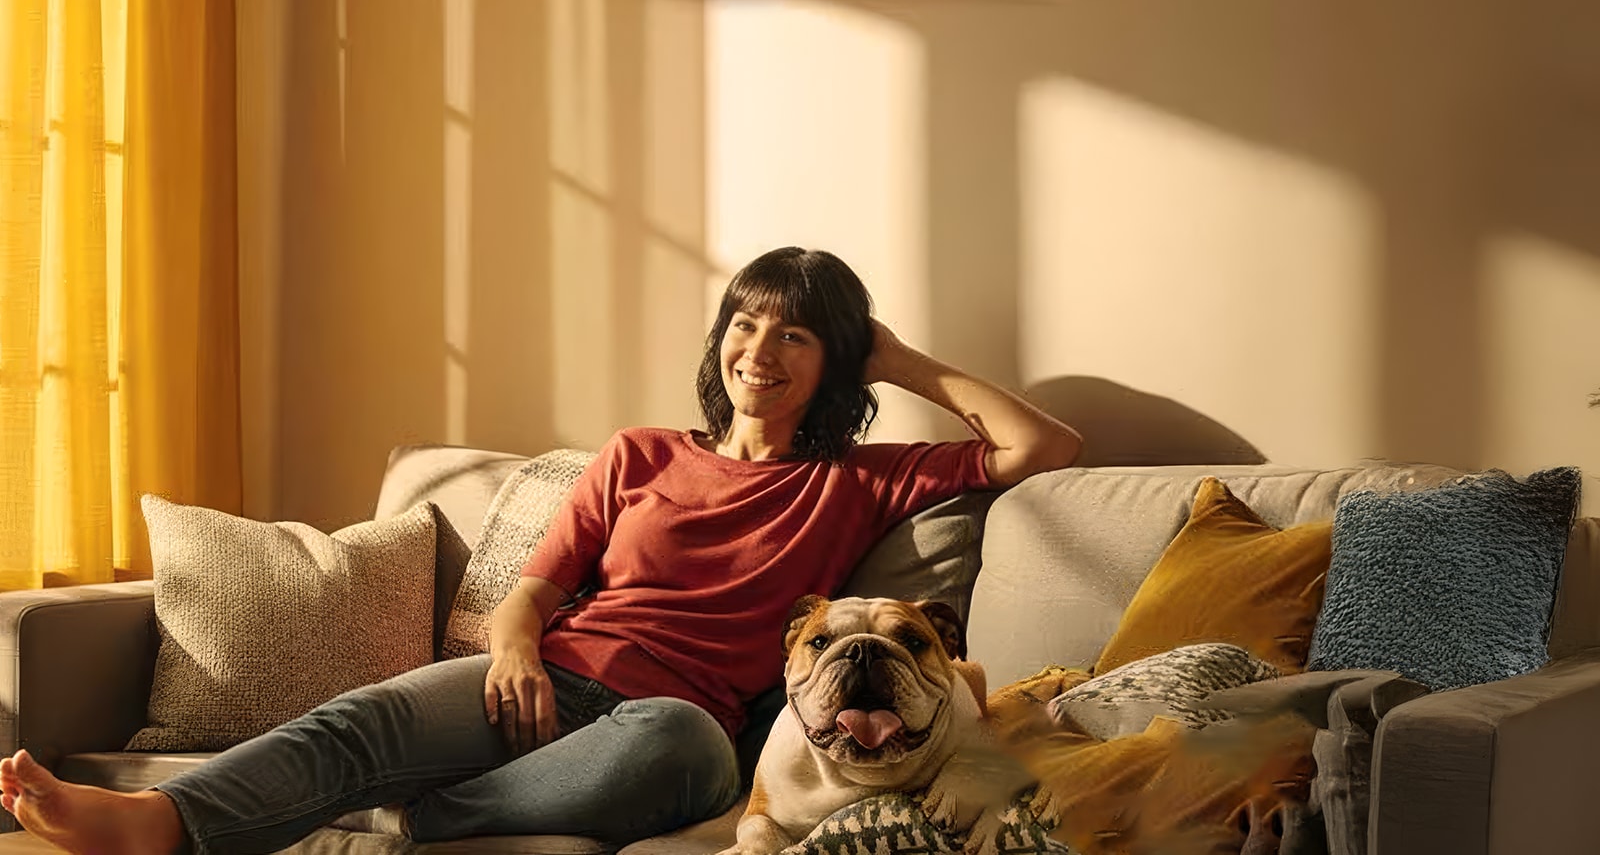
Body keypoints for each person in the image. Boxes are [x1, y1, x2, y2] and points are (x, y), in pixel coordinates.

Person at [0, 246, 1081, 855]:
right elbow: (532, 595)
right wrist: (515, 653)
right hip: (542, 678)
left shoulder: (860, 477)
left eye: (796, 333)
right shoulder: (640, 453)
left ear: (832, 364)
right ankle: (158, 821)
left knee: (675, 745)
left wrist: (902, 358)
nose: (762, 350)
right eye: (746, 324)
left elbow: (1045, 444)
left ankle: (391, 822)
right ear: (720, 343)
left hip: (675, 720)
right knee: (369, 714)